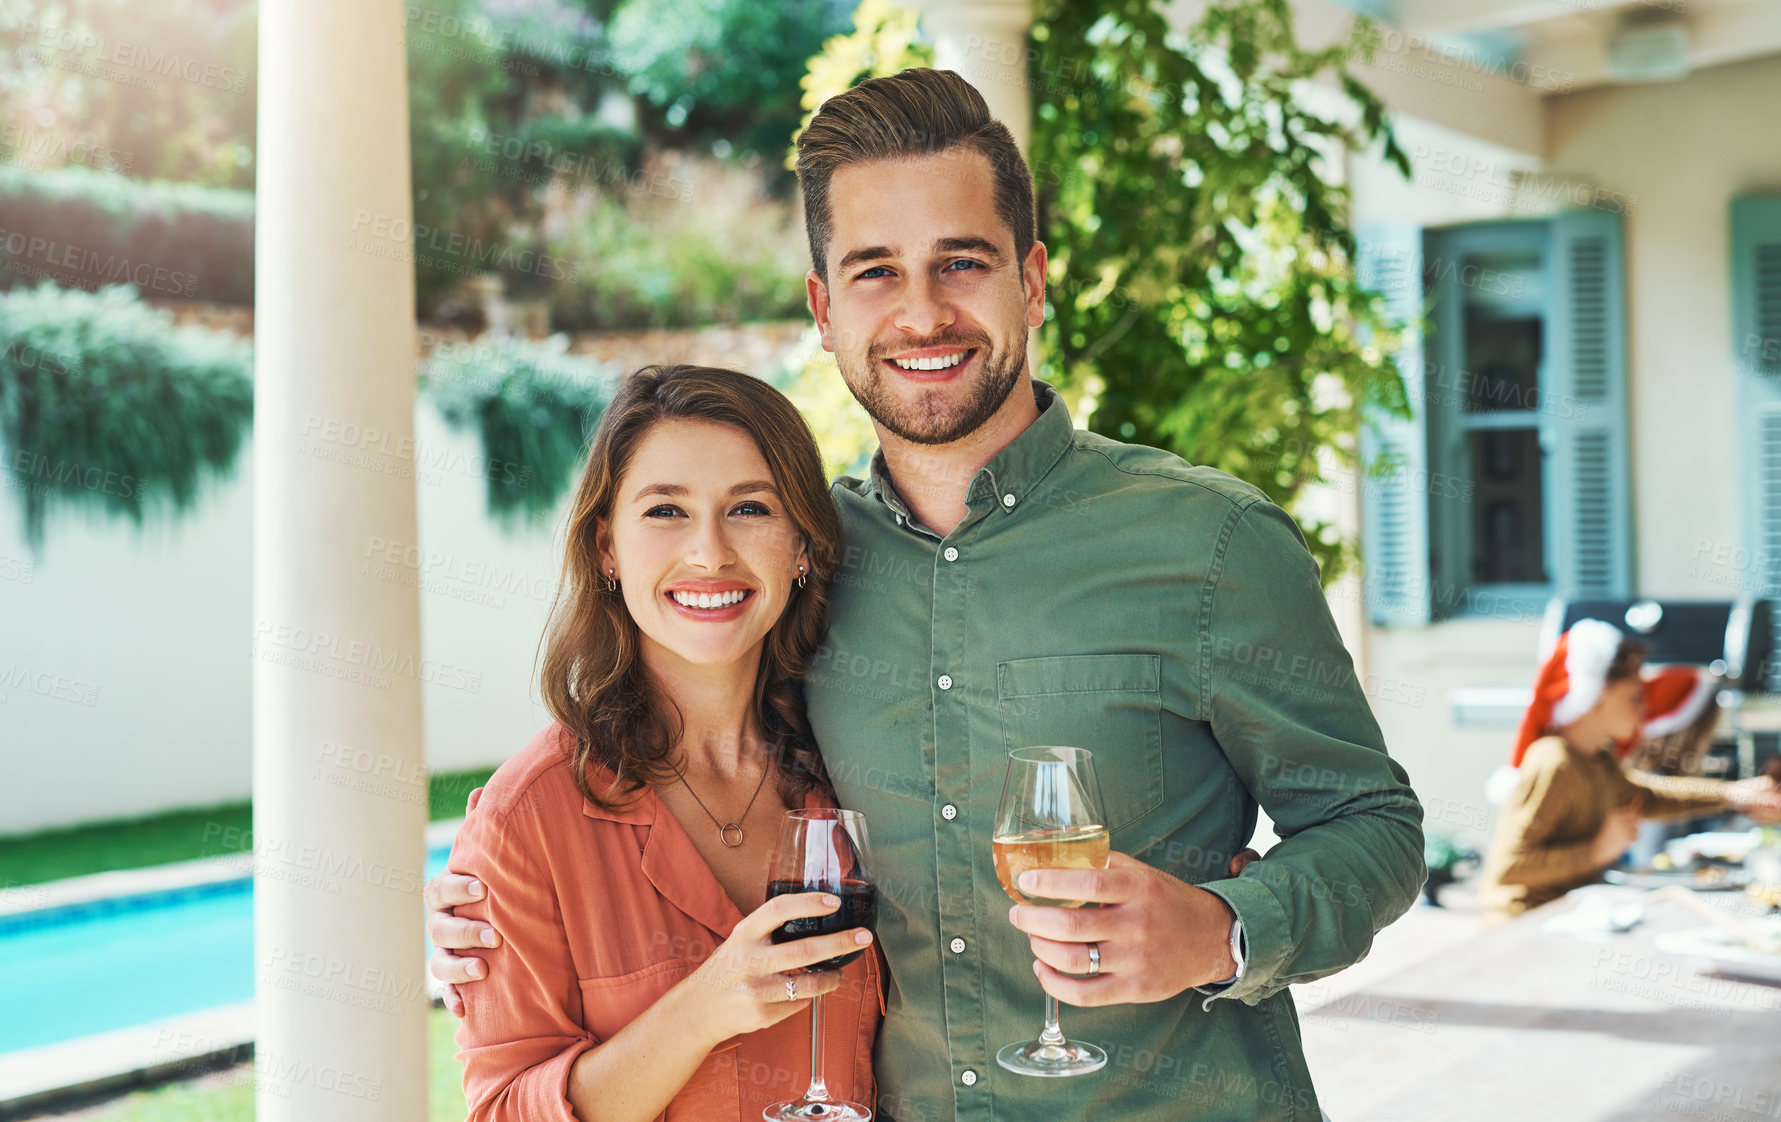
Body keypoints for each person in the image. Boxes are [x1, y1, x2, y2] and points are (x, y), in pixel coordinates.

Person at [431, 68, 1426, 1121]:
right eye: (874, 272)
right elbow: (660, 744)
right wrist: (496, 889)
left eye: (961, 261)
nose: (920, 312)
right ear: (822, 307)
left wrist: (1223, 930)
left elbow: (1371, 825)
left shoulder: (1210, 543)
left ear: (1030, 281)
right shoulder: (798, 561)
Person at [448, 366, 882, 1122]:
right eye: (666, 511)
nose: (709, 553)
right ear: (607, 547)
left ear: (802, 545)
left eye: (749, 508)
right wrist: (706, 1006)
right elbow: (503, 1110)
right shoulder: (530, 821)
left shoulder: (857, 775)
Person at [1479, 619, 1781, 915]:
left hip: (1566, 914)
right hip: (1522, 925)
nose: (1643, 708)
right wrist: (1596, 851)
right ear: (1596, 699)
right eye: (1635, 697)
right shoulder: (1555, 762)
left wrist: (1733, 794)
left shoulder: (1598, 758)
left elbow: (1646, 797)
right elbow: (1508, 867)